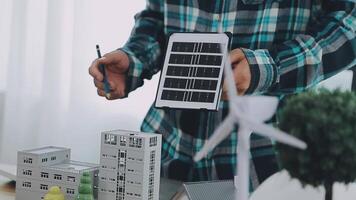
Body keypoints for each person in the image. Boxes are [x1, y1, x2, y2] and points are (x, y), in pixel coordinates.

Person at [89, 0, 355, 191]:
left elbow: (349, 25)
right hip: (168, 152)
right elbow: (158, 17)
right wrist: (134, 60)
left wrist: (271, 67)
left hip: (264, 168)